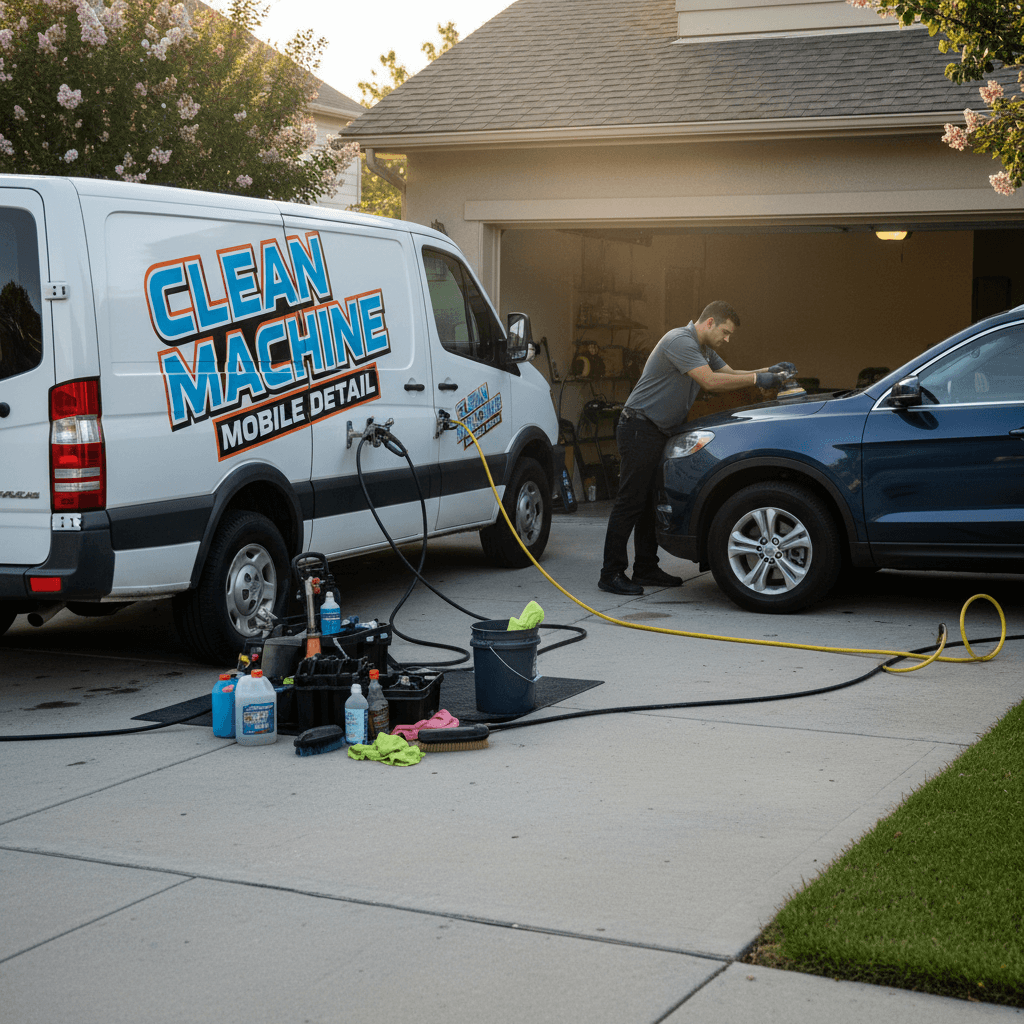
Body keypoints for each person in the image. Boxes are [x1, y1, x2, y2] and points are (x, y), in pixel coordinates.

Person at [598, 300, 794, 596]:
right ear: (709, 322)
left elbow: (730, 373)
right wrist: (760, 379)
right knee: (630, 501)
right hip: (639, 427)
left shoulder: (705, 350)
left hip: (659, 430)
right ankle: (610, 573)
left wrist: (771, 370)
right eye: (725, 332)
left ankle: (645, 567)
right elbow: (711, 382)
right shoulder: (680, 340)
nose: (727, 339)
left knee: (651, 502)